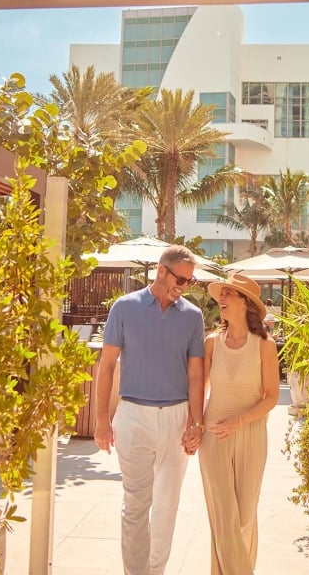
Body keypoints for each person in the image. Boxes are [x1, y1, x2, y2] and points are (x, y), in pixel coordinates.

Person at [94, 245, 206, 575]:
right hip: (132, 416)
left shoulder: (192, 316)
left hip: (176, 417)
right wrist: (102, 419)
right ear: (161, 270)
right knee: (135, 506)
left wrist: (195, 422)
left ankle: (155, 570)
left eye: (190, 281)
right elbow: (108, 364)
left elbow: (197, 374)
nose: (185, 286)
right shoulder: (124, 308)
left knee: (167, 506)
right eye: (181, 279)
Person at [195, 272, 280, 575]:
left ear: (245, 303)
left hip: (251, 434)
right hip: (214, 436)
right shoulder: (210, 342)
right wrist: (195, 426)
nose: (222, 299)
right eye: (222, 294)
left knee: (244, 517)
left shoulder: (264, 345)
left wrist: (239, 421)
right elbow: (199, 389)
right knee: (225, 517)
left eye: (229, 293)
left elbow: (271, 397)